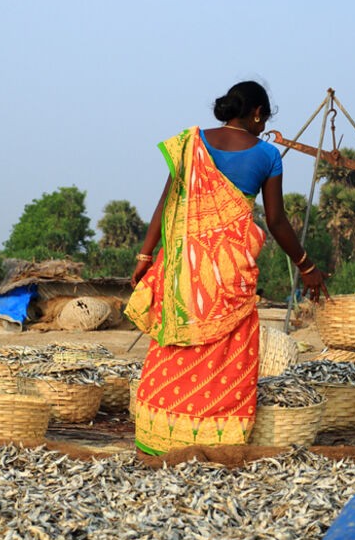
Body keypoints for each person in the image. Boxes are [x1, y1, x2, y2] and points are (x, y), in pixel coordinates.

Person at [125, 81, 329, 456]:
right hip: (227, 272)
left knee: (175, 347)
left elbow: (166, 202)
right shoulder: (267, 156)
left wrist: (145, 255)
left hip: (183, 271)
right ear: (255, 113)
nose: (262, 127)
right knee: (225, 353)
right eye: (263, 119)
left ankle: (162, 437)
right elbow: (277, 220)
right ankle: (216, 442)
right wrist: (307, 264)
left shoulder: (191, 143)